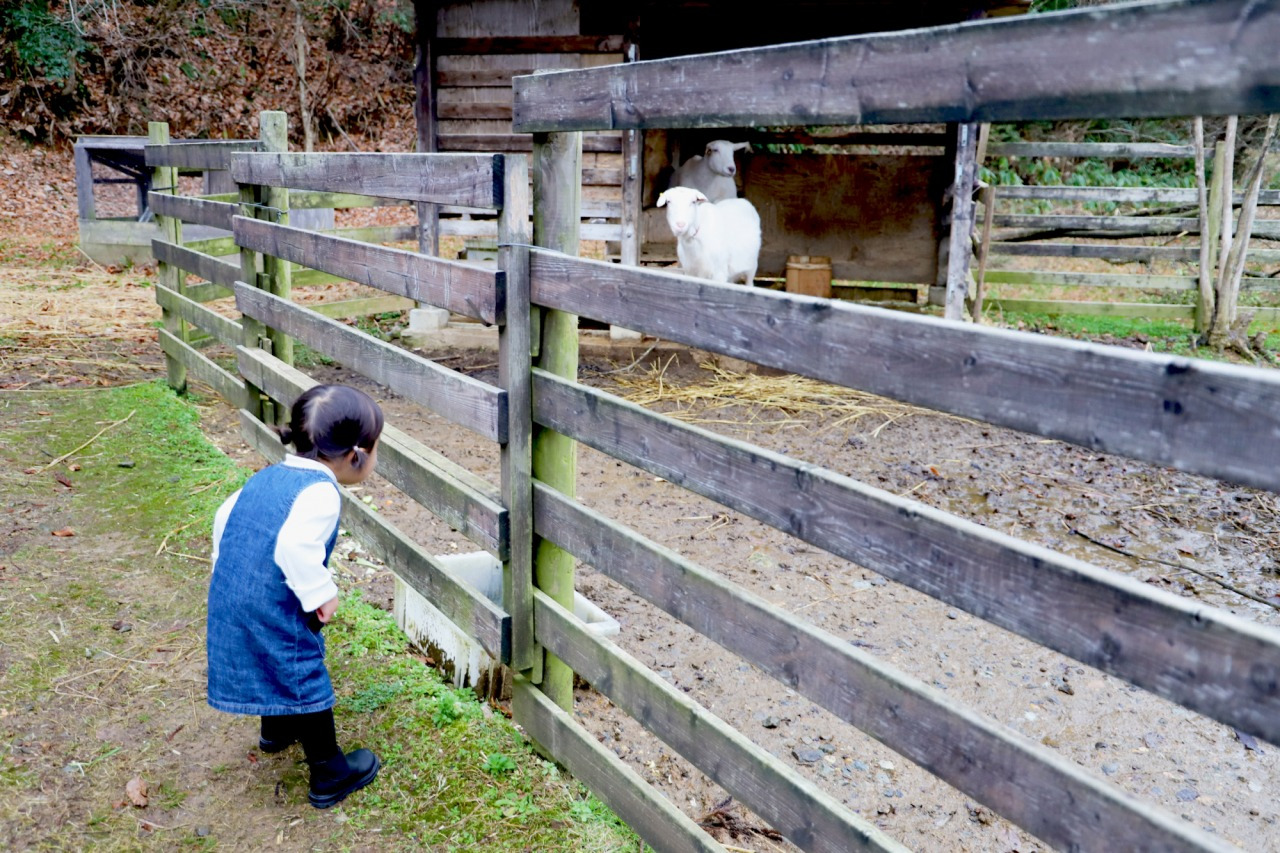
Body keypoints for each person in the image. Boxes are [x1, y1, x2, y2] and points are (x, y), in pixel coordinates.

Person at [207, 384, 385, 809]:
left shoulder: (269, 475)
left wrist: (225, 574)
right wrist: (321, 594)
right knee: (300, 664)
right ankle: (329, 772)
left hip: (233, 590)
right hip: (273, 600)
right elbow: (293, 548)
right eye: (377, 450)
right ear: (355, 455)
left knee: (270, 658)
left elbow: (224, 517)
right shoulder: (322, 492)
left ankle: (278, 729)